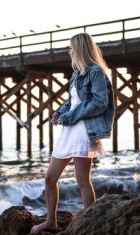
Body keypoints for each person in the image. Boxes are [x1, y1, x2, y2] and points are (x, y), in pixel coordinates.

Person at [30, 33, 115, 234]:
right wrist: (60, 112)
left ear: (79, 49)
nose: (69, 51)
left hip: (84, 130)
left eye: (71, 48)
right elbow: (72, 101)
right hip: (70, 129)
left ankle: (90, 224)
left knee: (82, 181)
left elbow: (99, 102)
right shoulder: (77, 73)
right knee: (50, 178)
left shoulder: (96, 72)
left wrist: (70, 115)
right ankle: (51, 221)